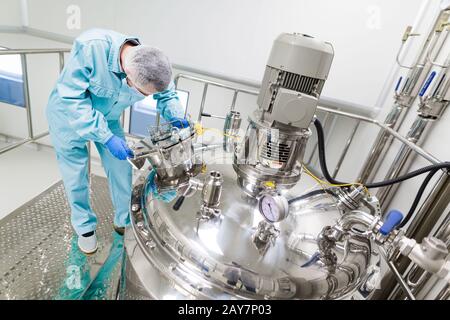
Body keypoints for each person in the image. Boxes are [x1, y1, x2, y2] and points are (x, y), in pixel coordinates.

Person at [46, 28, 187, 254]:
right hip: (67, 116)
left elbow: (167, 94)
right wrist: (105, 137)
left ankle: (123, 220)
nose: (144, 96)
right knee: (76, 175)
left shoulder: (152, 65)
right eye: (141, 92)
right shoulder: (91, 47)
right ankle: (84, 228)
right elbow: (72, 98)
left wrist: (176, 114)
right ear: (127, 75)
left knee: (122, 167)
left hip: (108, 118)